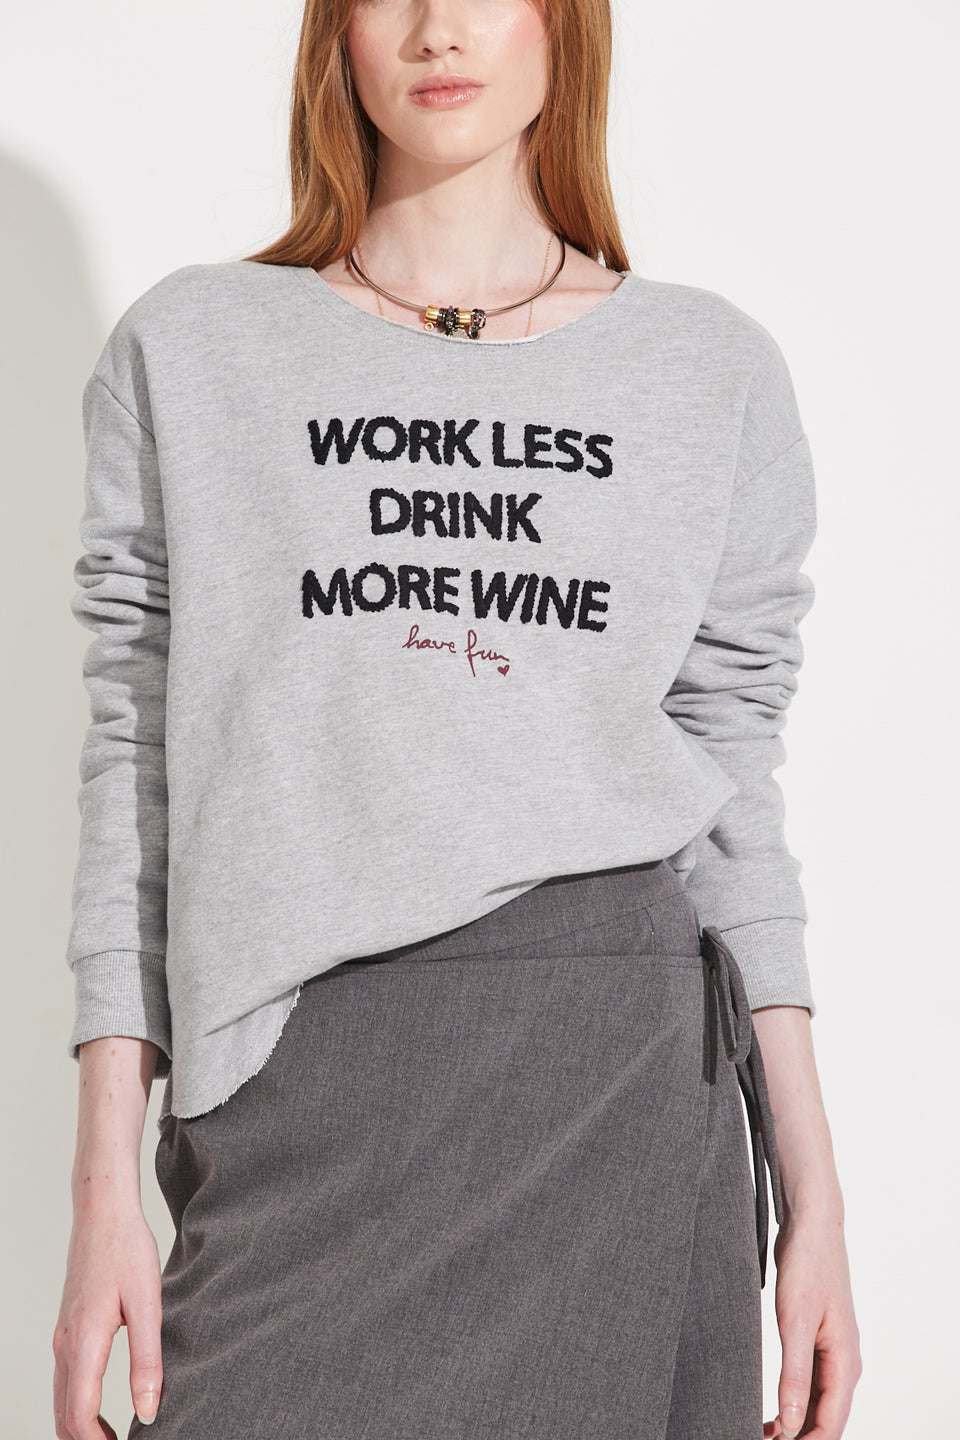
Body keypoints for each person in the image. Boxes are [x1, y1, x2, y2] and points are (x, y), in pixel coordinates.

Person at [52, 1, 862, 1438]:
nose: (439, 30)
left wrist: (816, 1198)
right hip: (296, 1088)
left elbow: (731, 773)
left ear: (565, 27)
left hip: (614, 1076)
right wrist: (103, 1185)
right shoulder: (195, 347)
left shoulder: (708, 370)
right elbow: (137, 761)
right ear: (337, 31)